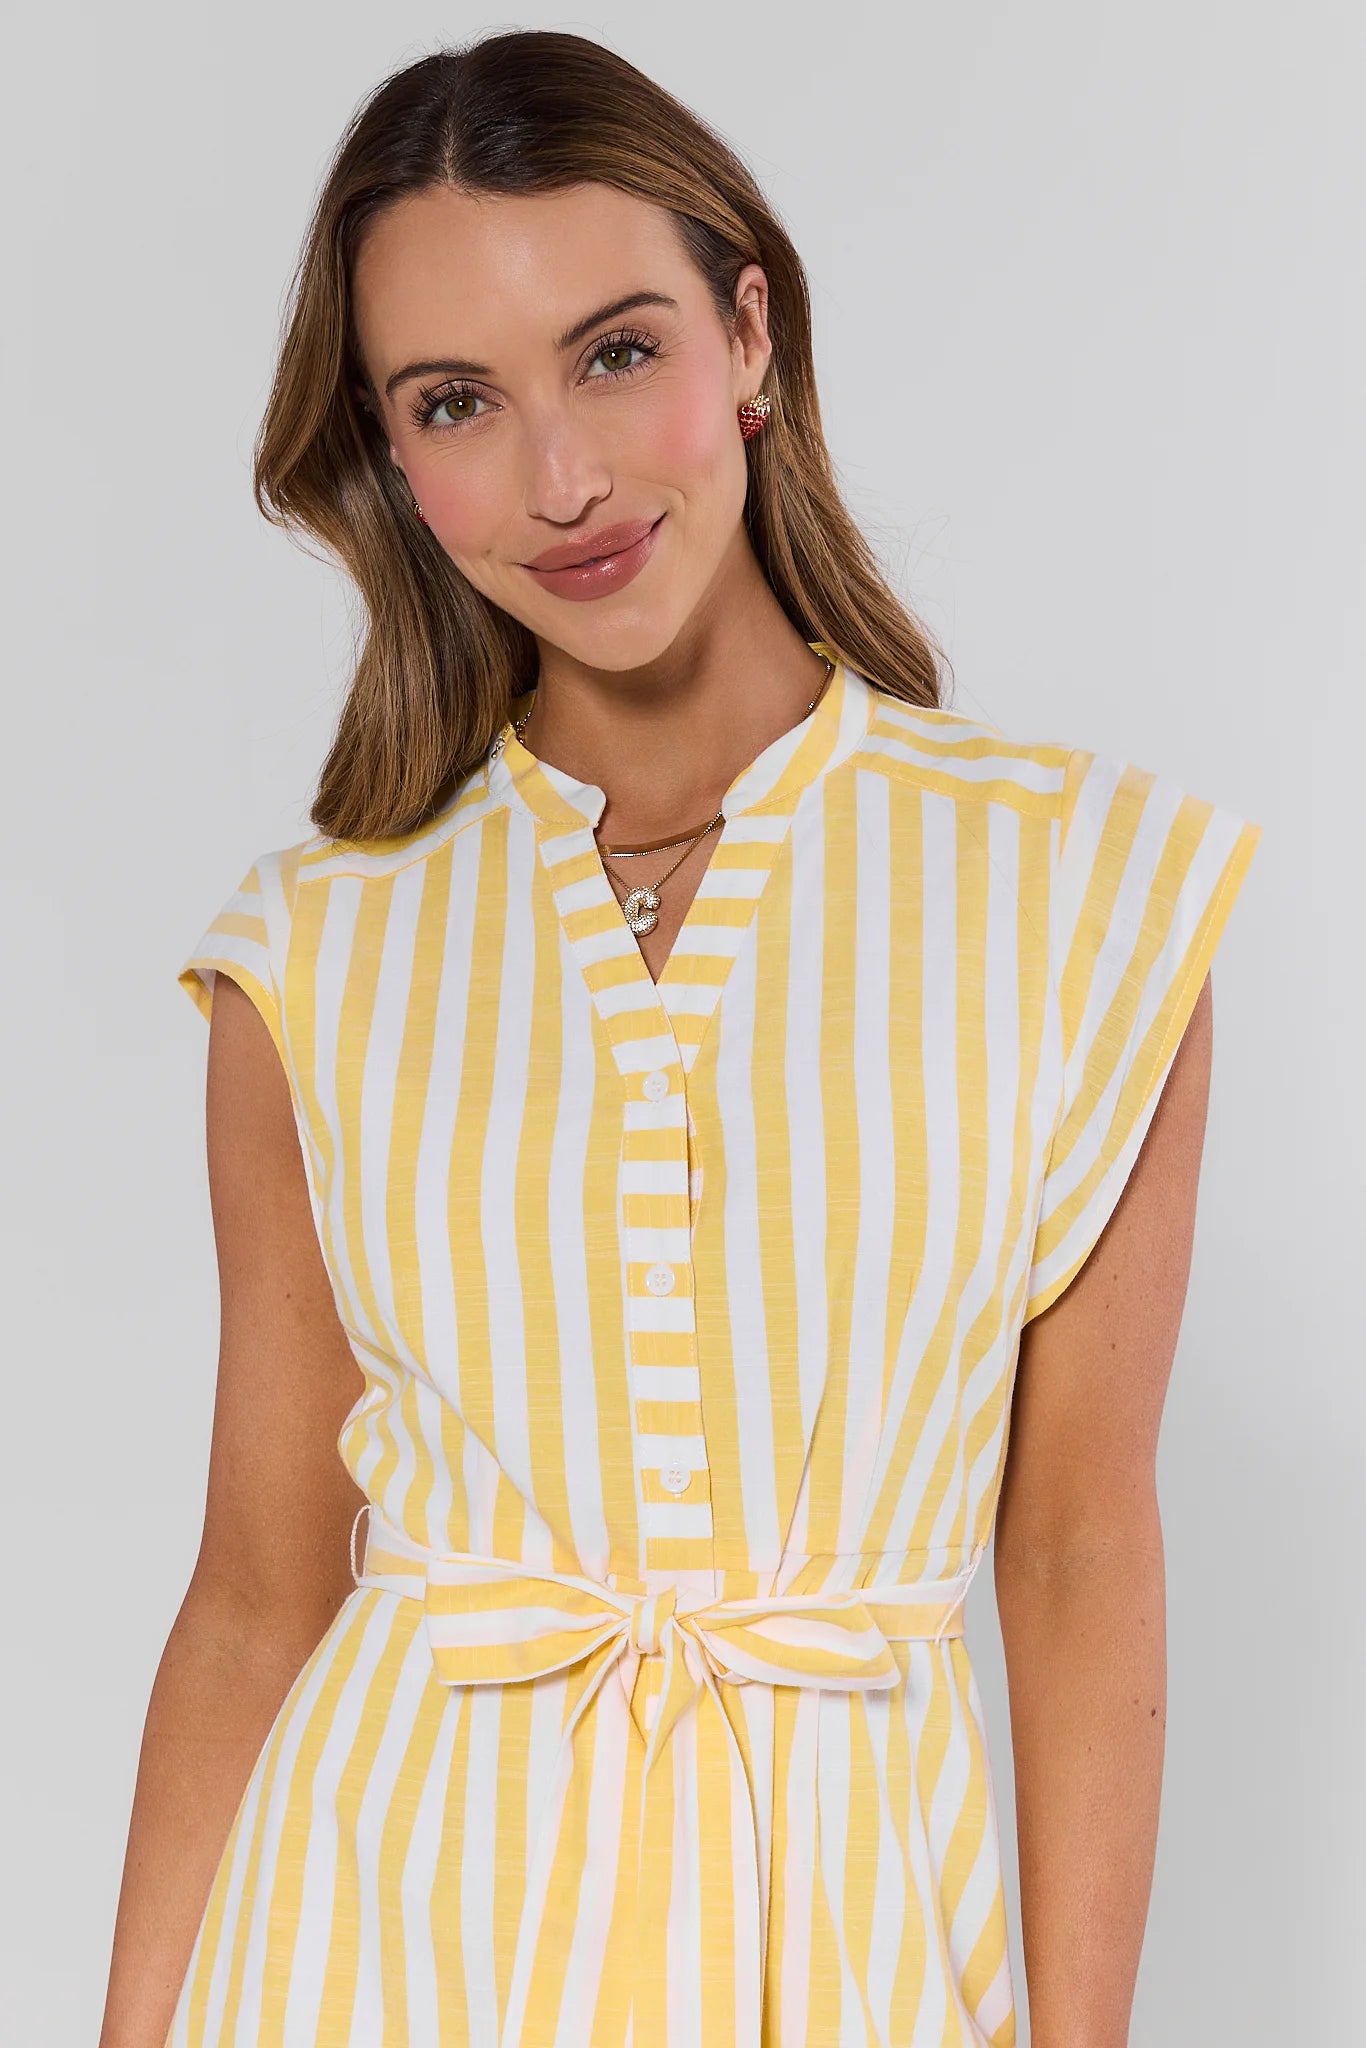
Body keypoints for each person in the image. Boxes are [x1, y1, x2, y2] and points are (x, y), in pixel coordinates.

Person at [100, 29, 1262, 2048]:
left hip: (847, 1959)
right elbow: (259, 1589)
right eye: (455, 402)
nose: (559, 481)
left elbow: (1078, 1548)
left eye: (614, 353)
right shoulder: (317, 952)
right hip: (368, 1954)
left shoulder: (1083, 891)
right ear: (389, 456)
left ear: (748, 338)